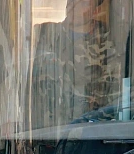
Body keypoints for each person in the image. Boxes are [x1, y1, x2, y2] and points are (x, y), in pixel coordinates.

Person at [30, 0, 120, 129]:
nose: (73, 5)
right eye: (71, 0)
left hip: (89, 132)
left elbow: (114, 92)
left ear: (95, 10)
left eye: (83, 2)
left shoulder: (106, 42)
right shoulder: (47, 34)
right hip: (46, 131)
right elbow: (30, 84)